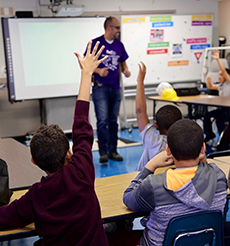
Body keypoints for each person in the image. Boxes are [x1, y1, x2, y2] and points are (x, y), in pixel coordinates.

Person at [0, 41, 109, 246]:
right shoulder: (81, 173)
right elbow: (81, 125)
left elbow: (4, 217)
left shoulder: (35, 197)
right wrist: (87, 74)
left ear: (33, 161)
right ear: (69, 153)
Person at [123, 119, 228, 246]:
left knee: (114, 236)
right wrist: (203, 158)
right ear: (203, 149)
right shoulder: (219, 177)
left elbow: (128, 198)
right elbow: (206, 173)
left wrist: (150, 166)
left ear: (168, 151)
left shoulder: (154, 185)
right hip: (206, 242)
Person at [84, 16, 131, 164]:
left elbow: (123, 61)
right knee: (102, 121)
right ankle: (103, 152)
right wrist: (98, 71)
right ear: (109, 28)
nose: (119, 30)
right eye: (117, 27)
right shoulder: (95, 43)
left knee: (113, 121)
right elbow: (85, 64)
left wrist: (126, 70)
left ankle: (113, 151)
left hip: (115, 88)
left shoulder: (119, 45)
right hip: (100, 88)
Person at [136, 62, 182, 171]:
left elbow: (140, 112)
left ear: (156, 125)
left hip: (145, 183)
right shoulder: (183, 144)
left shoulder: (153, 141)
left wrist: (140, 81)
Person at [203, 50, 230, 142]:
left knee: (220, 119)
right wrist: (208, 81)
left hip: (228, 109)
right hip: (222, 109)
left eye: (221, 75)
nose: (219, 77)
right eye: (218, 75)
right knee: (207, 116)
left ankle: (224, 142)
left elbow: (224, 71)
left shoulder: (228, 83)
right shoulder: (221, 85)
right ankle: (209, 134)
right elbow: (210, 87)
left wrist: (218, 60)